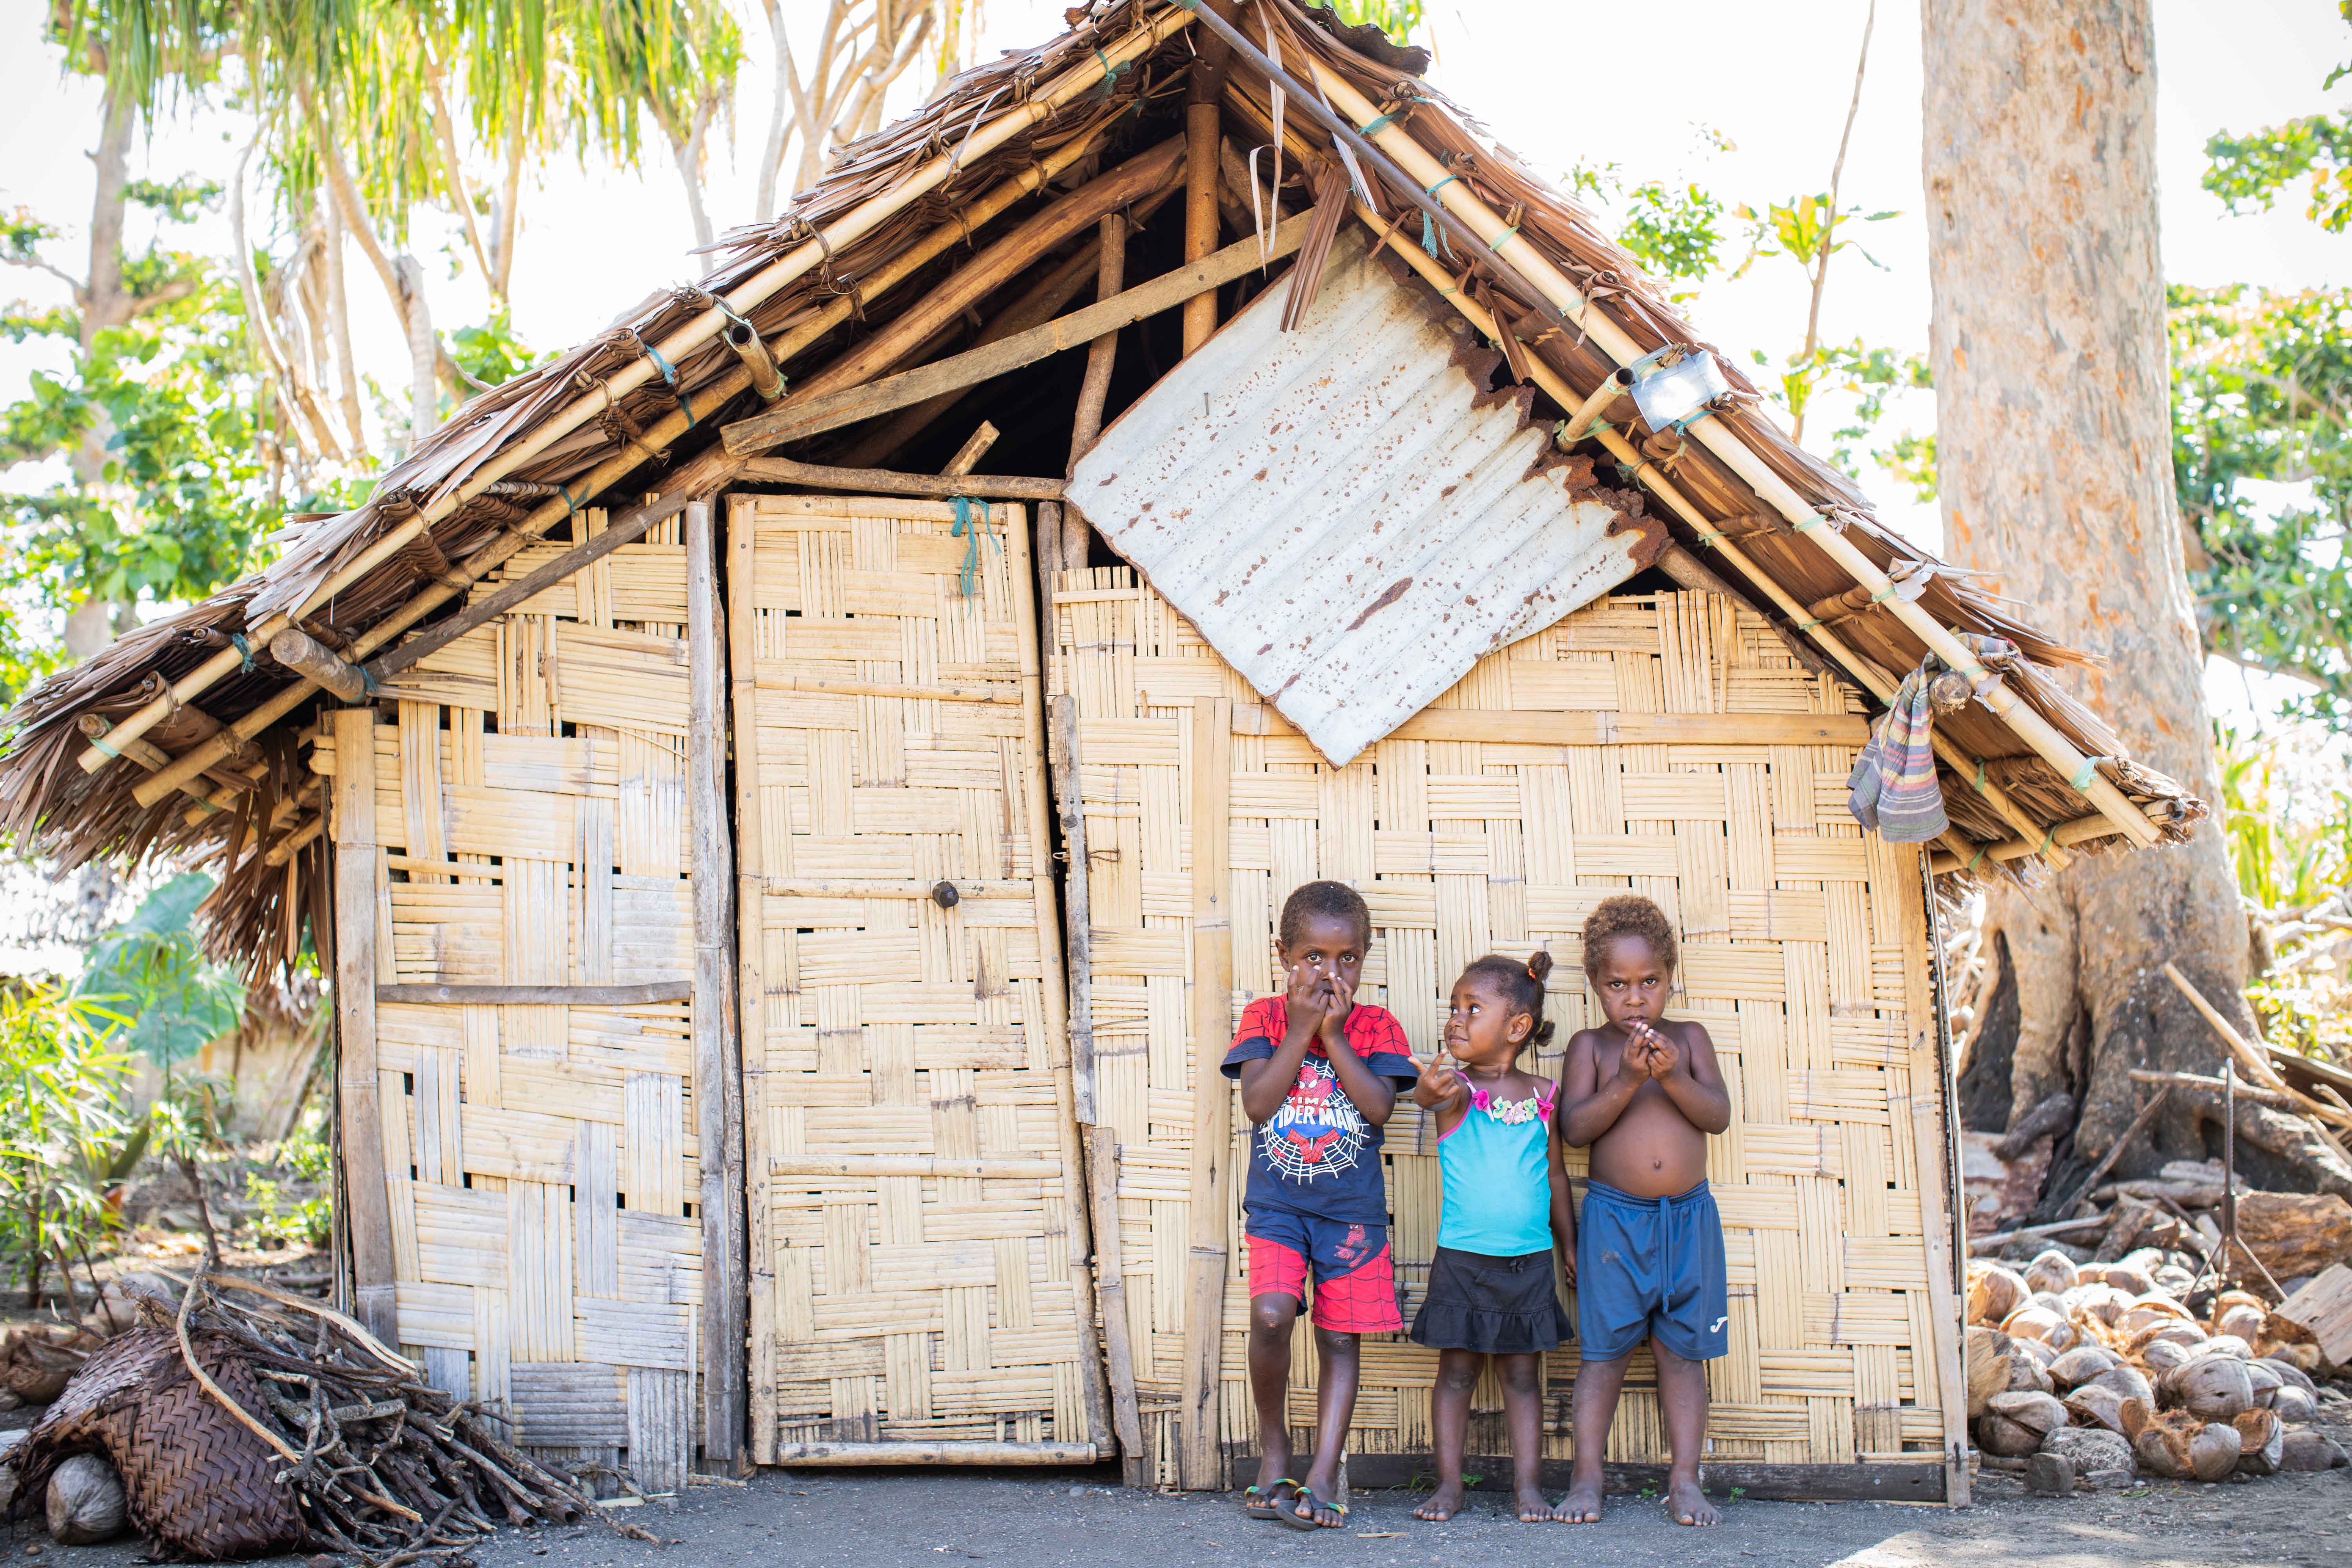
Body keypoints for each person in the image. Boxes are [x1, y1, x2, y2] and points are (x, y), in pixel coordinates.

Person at [1225, 880, 1419, 1531]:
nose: (1331, 973)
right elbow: (1258, 1104)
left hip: (1351, 1217)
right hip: (1278, 1208)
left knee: (1339, 1336)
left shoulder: (1377, 1027)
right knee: (1273, 1315)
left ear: (1364, 958)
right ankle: (1275, 1445)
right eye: (1313, 957)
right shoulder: (1263, 1018)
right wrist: (1303, 1027)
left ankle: (1325, 1469)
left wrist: (1334, 1037)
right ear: (1284, 955)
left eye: (1347, 959)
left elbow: (1380, 1109)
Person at [1554, 895, 1731, 1528]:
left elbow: (1716, 1116)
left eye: (1649, 982)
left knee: (1683, 1356)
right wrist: (1627, 1081)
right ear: (1597, 987)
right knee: (1603, 1355)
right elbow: (1575, 1130)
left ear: (1670, 977)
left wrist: (1675, 1077)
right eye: (1619, 985)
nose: (1635, 999)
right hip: (1614, 1223)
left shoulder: (1689, 1041)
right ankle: (1586, 1479)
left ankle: (1685, 1480)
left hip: (1688, 1221)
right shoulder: (1591, 1049)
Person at [1408, 950, 1577, 1525]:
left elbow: (1555, 1175)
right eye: (1454, 1007)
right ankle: (1450, 1485)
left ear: (1516, 1027)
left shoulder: (1544, 1097)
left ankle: (1528, 1487)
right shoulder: (1455, 1089)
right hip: (1462, 1260)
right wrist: (1425, 1089)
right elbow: (1429, 1098)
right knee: (1456, 1373)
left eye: (1472, 1008)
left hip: (1528, 1263)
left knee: (1523, 1377)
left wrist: (1570, 1246)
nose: (1455, 1018)